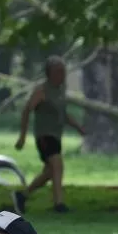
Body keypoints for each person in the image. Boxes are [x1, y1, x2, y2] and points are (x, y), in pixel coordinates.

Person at [12, 56, 85, 214]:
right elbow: (27, 110)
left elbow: (63, 114)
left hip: (56, 136)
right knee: (57, 164)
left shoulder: (60, 91)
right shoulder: (42, 90)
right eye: (58, 72)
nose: (62, 75)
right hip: (44, 136)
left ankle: (22, 196)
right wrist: (22, 137)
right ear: (49, 73)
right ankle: (59, 204)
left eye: (63, 71)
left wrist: (79, 127)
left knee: (50, 172)